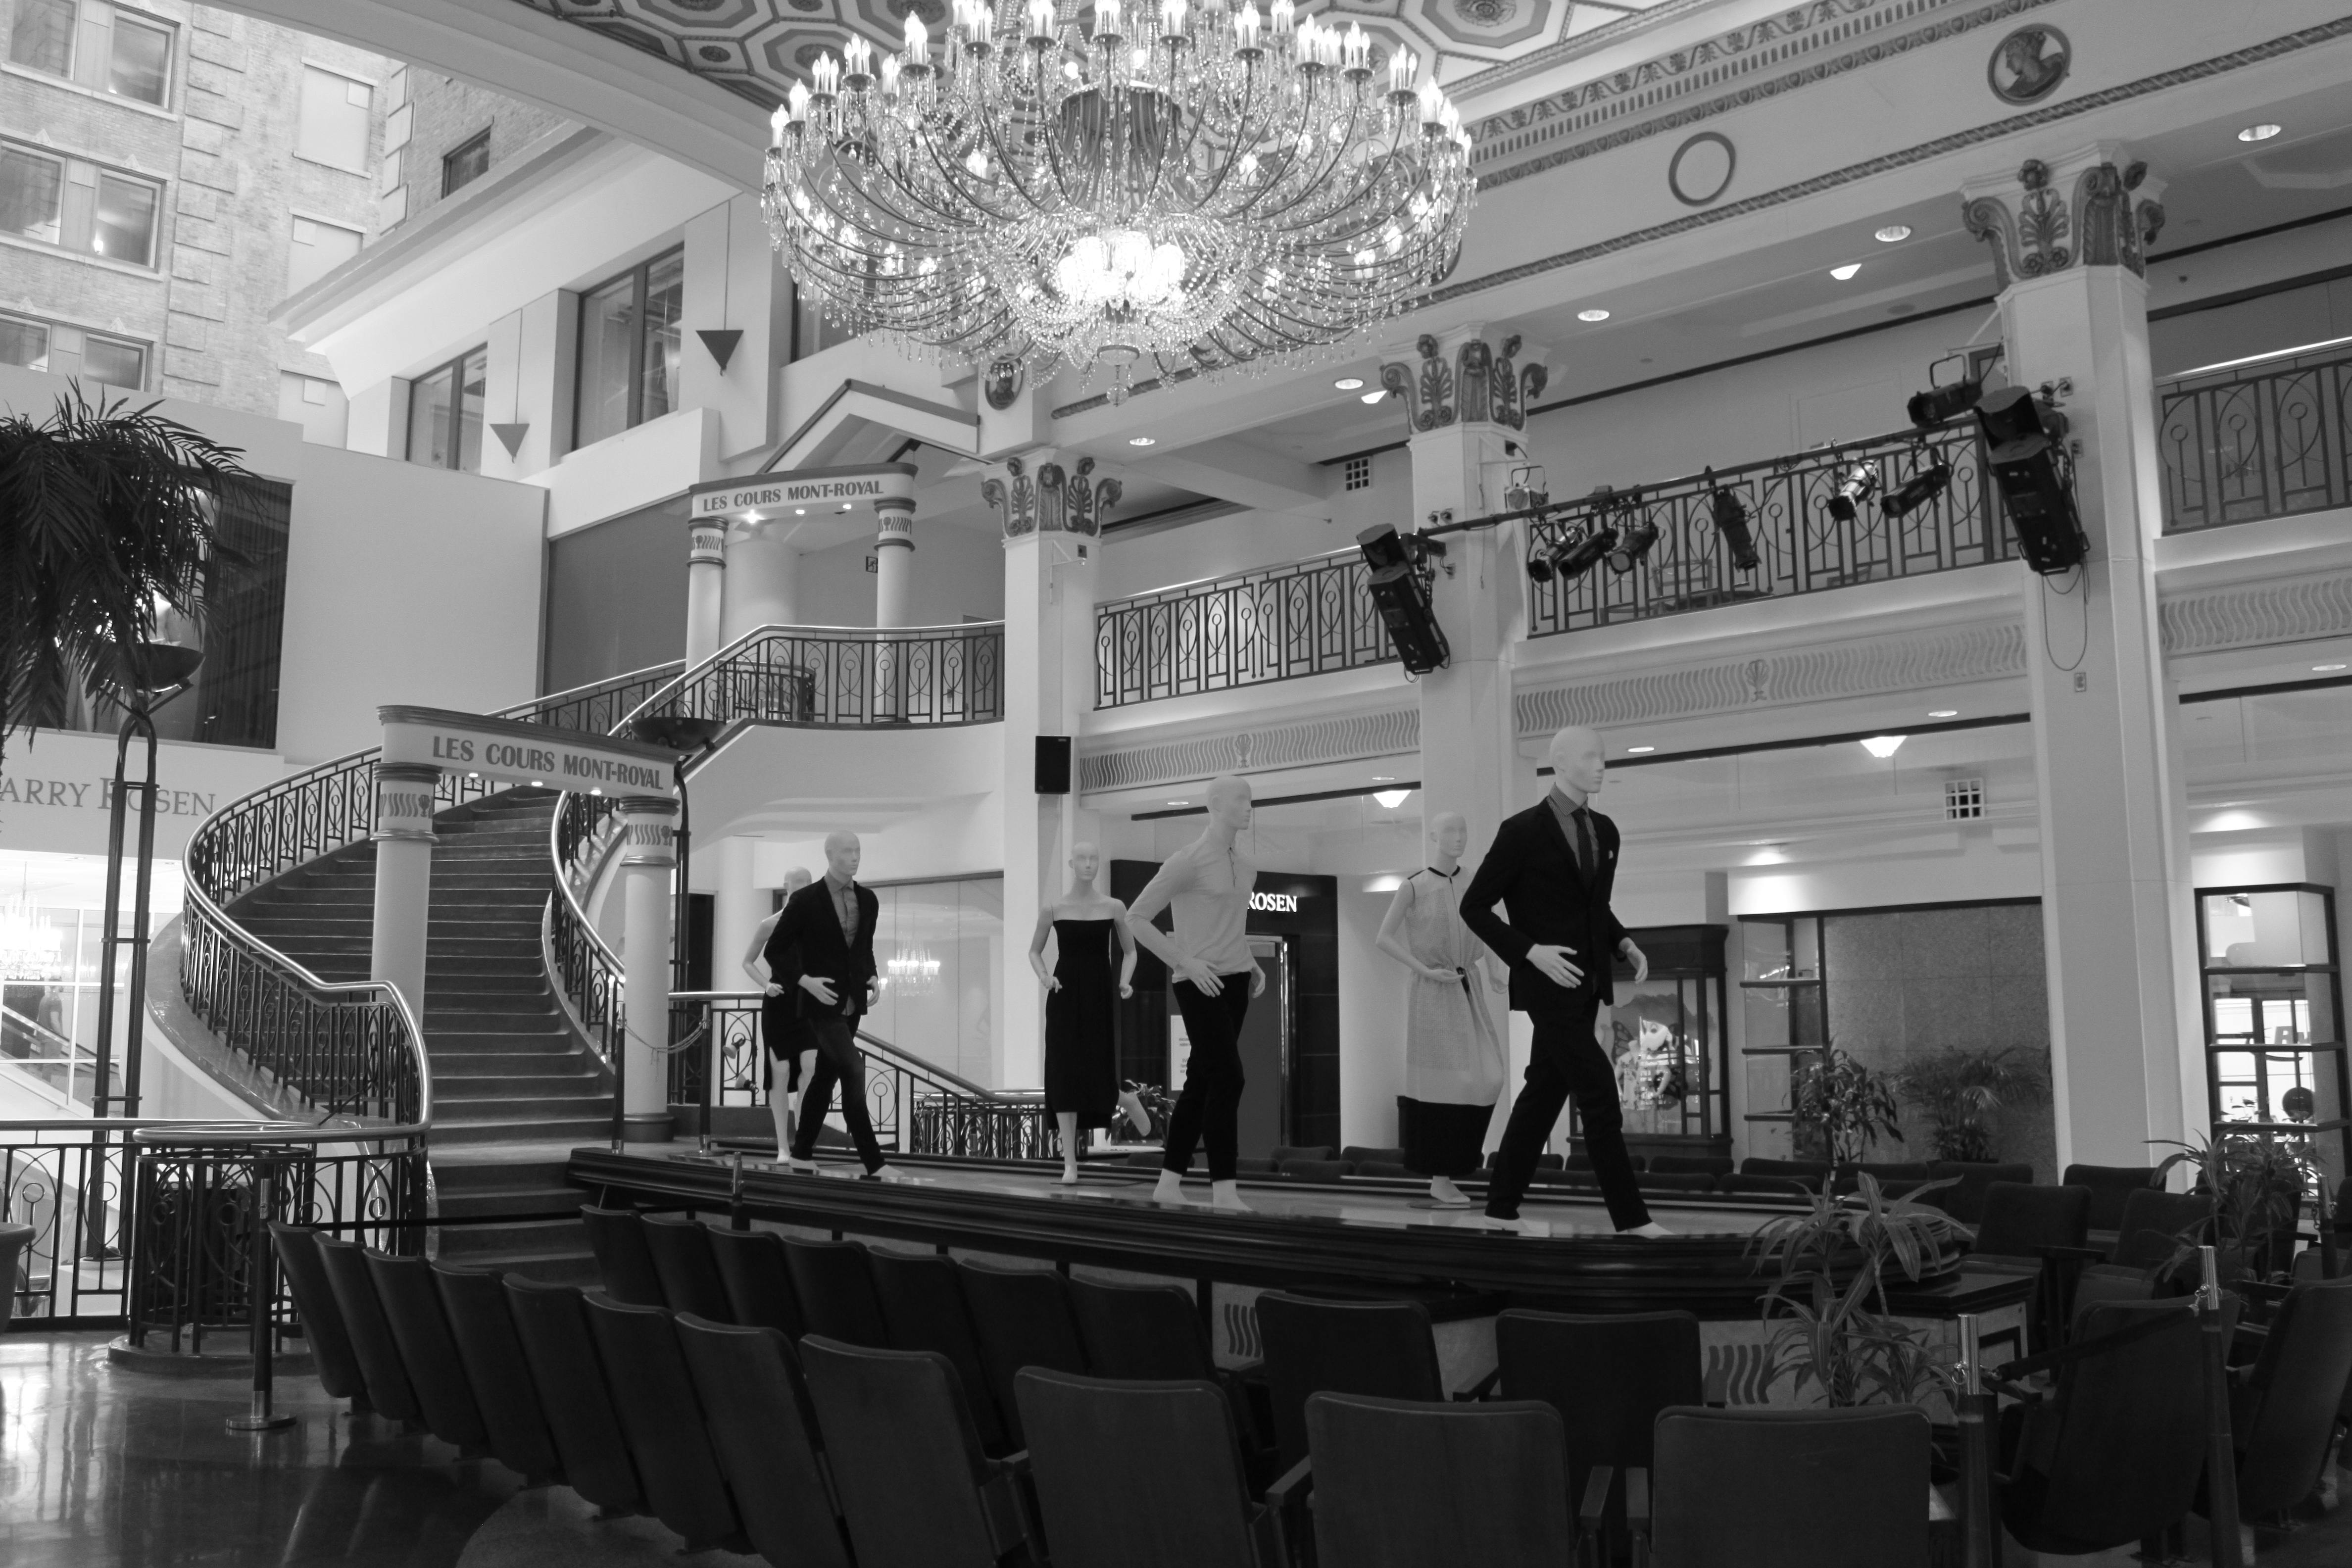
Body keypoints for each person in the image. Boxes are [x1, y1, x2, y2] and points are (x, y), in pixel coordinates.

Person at [1460, 727, 1671, 1237]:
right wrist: (1529, 952)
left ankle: (1500, 1210)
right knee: (1599, 1091)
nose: (1601, 765)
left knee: (1541, 1096)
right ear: (1559, 763)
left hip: (1588, 984)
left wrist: (1623, 942)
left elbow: (1594, 905)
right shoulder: (1521, 832)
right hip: (1546, 988)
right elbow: (1474, 907)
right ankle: (1631, 1219)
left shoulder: (1606, 830)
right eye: (1590, 757)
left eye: (1603, 757)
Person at [1126, 774, 1266, 1212]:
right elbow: (1137, 918)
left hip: (1237, 979)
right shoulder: (1187, 861)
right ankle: (1224, 1188)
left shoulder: (1247, 865)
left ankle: (1169, 1182)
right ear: (1215, 804)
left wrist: (1251, 961)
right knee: (1229, 1077)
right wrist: (1183, 961)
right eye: (1240, 799)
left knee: (1202, 1082)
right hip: (1198, 982)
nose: (1248, 807)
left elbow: (1230, 925)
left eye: (1250, 799)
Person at [1376, 811, 1507, 1208]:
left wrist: (1498, 970)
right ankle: (1440, 1175)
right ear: (1432, 836)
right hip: (1432, 993)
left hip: (1468, 987)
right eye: (1450, 830)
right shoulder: (1415, 887)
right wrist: (1422, 969)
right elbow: (1383, 937)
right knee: (1443, 1083)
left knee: (1489, 1076)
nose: (1459, 838)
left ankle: (1457, 1164)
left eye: (1464, 830)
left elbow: (1487, 930)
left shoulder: (1473, 883)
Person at [768, 831, 907, 1182]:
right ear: (829, 855)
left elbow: (863, 947)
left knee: (824, 1078)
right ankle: (874, 1161)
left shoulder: (868, 899)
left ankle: (801, 1154)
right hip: (819, 1004)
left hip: (852, 1002)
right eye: (847, 851)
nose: (855, 857)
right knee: (854, 1069)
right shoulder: (806, 900)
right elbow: (776, 951)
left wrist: (872, 975)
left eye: (858, 851)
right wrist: (804, 981)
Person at [1028, 841, 1150, 1185]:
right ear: (1070, 863)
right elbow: (1035, 952)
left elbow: (1131, 951)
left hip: (1098, 992)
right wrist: (1045, 977)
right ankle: (1070, 1163)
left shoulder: (1113, 907)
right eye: (1082, 858)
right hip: (1063, 992)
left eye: (1094, 858)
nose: (1089, 864)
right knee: (1064, 1071)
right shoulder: (1054, 907)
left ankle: (1125, 1099)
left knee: (1097, 1062)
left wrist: (1126, 982)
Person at [744, 865, 815, 1157]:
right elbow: (748, 961)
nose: (801, 888)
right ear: (786, 886)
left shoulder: (817, 924)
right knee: (781, 1071)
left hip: (808, 1003)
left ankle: (803, 1141)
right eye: (796, 884)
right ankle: (783, 1146)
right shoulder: (770, 924)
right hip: (780, 1002)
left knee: (811, 1067)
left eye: (807, 884)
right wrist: (765, 985)